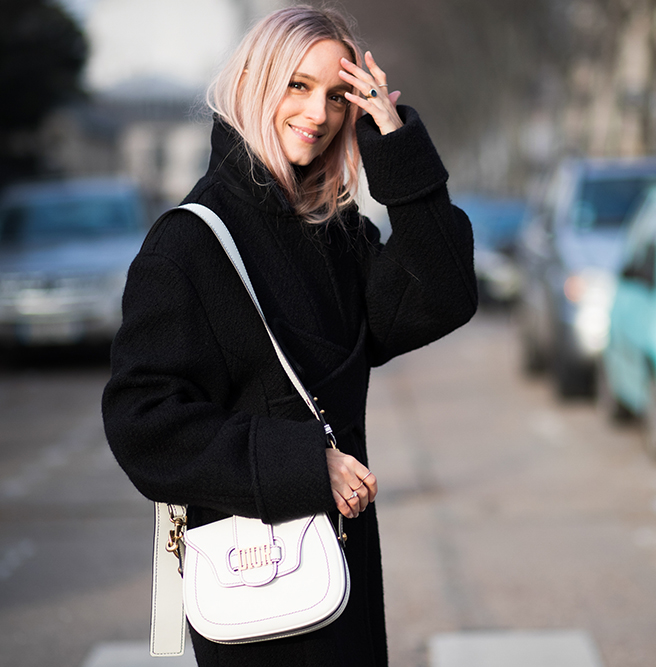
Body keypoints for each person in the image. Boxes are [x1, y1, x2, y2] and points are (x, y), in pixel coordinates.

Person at [101, 6, 477, 666]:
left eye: (338, 95)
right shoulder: (190, 242)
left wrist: (394, 141)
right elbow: (144, 423)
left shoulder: (330, 233)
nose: (319, 113)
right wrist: (305, 462)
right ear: (252, 80)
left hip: (341, 576)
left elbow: (443, 295)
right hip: (258, 585)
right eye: (297, 85)